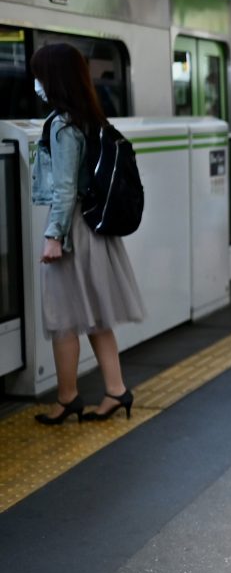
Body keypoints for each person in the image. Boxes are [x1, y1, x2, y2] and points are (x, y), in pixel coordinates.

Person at [29, 43, 145, 425]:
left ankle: (67, 398)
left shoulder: (62, 126)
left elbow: (64, 190)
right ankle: (115, 390)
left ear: (53, 79)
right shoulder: (89, 118)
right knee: (94, 315)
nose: (36, 83)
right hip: (93, 230)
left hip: (72, 231)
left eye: (39, 74)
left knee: (62, 317)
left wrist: (53, 237)